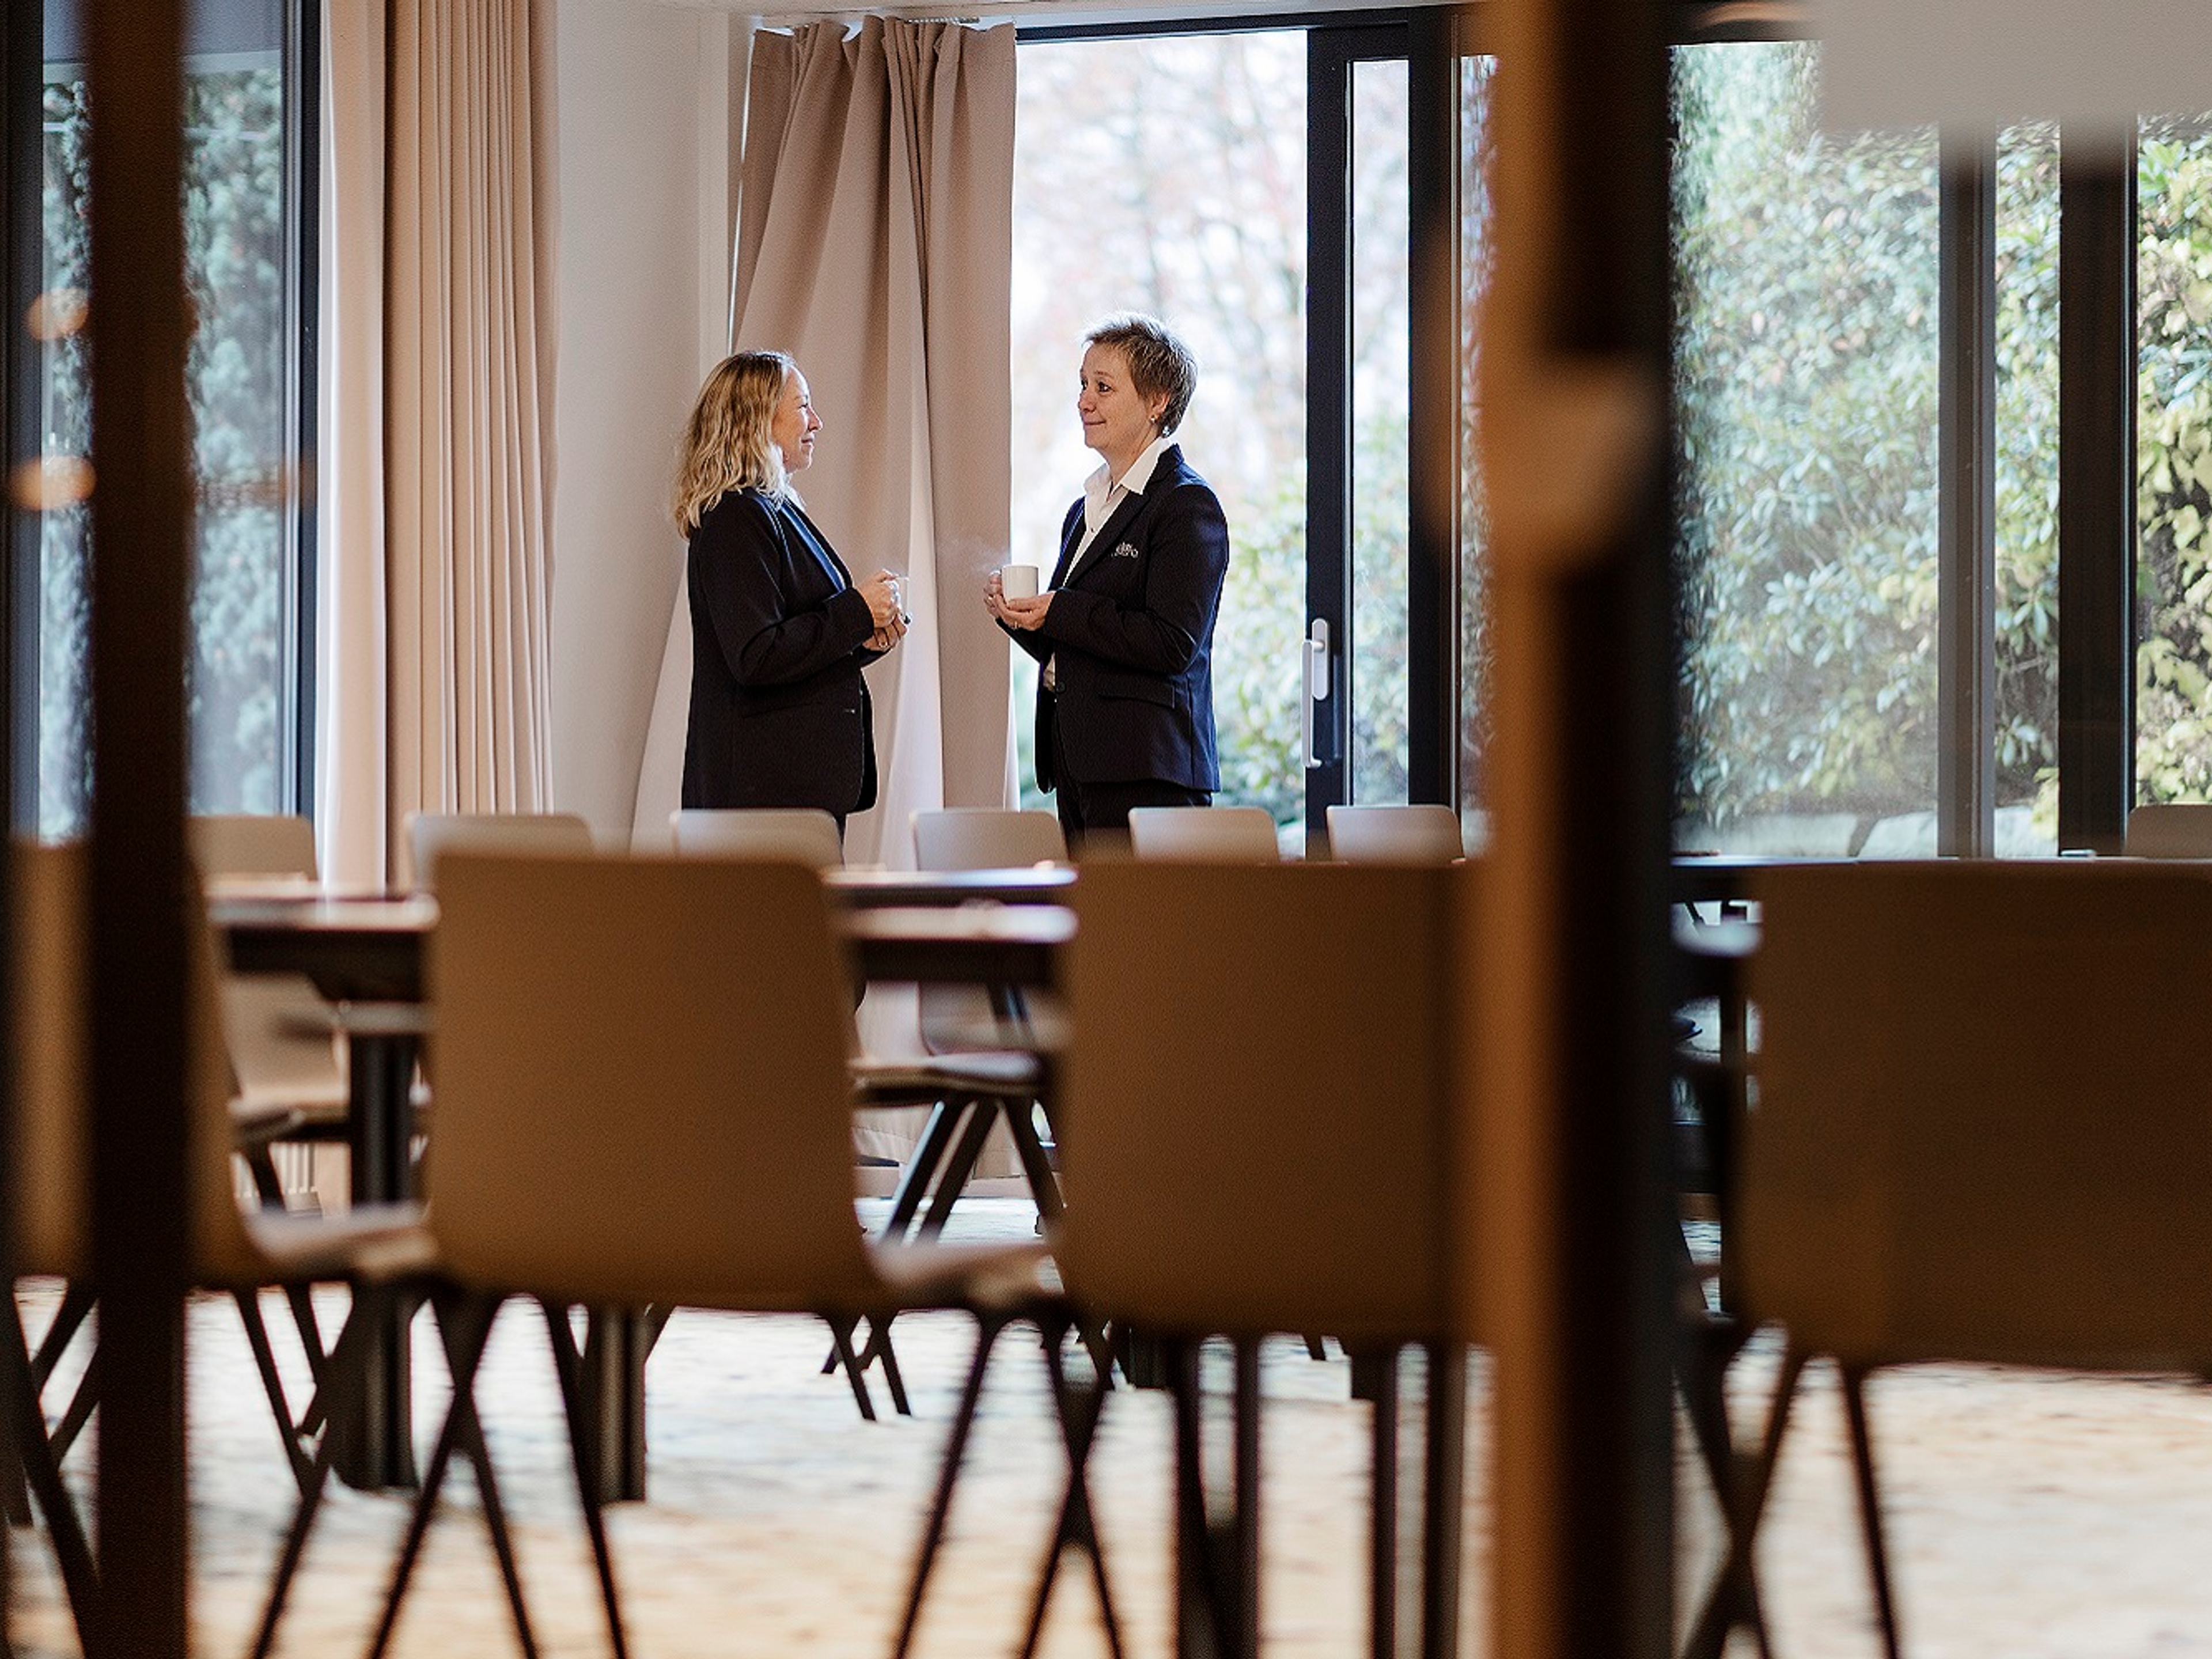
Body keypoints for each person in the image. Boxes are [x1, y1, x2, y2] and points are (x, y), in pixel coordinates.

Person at [986, 314, 1231, 850]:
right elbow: (1074, 637)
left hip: (1149, 774)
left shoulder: (1187, 505)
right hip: (1081, 767)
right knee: (1097, 934)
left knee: (1144, 934)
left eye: (1103, 387)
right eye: (1082, 384)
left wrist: (1060, 609)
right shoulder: (1084, 509)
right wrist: (1023, 617)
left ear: (1158, 401)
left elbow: (1173, 643)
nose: (1083, 401)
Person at [675, 351, 906, 828]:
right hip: (761, 800)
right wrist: (855, 613)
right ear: (758, 420)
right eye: (803, 406)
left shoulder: (770, 510)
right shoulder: (738, 516)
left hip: (787, 794)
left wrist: (859, 638)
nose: (817, 422)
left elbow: (790, 644)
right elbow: (756, 655)